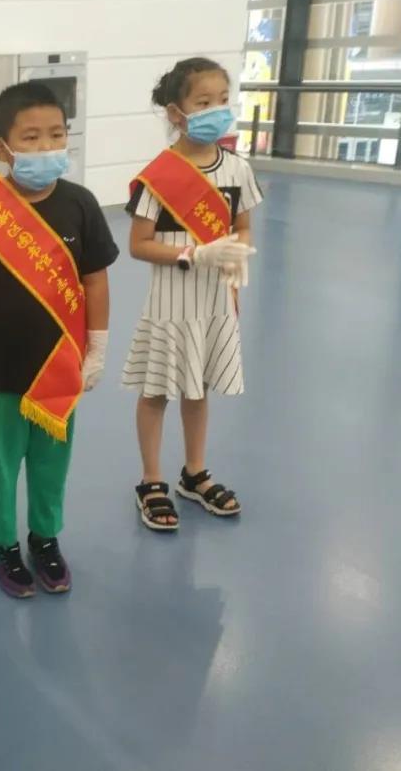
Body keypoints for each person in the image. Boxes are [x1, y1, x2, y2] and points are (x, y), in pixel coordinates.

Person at [0, 82, 119, 598]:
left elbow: (95, 282)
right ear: (2, 147)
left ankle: (45, 538)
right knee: (1, 464)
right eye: (31, 137)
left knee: (50, 464)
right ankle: (0, 543)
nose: (47, 147)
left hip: (60, 367)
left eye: (56, 135)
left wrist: (97, 348)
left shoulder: (81, 204)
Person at [122, 57, 261, 531]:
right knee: (157, 389)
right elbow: (139, 244)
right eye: (204, 102)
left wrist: (237, 253)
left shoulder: (238, 169)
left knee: (198, 387)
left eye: (223, 100)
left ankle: (194, 473)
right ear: (176, 113)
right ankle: (151, 479)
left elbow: (244, 228)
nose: (217, 110)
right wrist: (193, 254)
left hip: (214, 300)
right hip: (171, 302)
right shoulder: (159, 176)